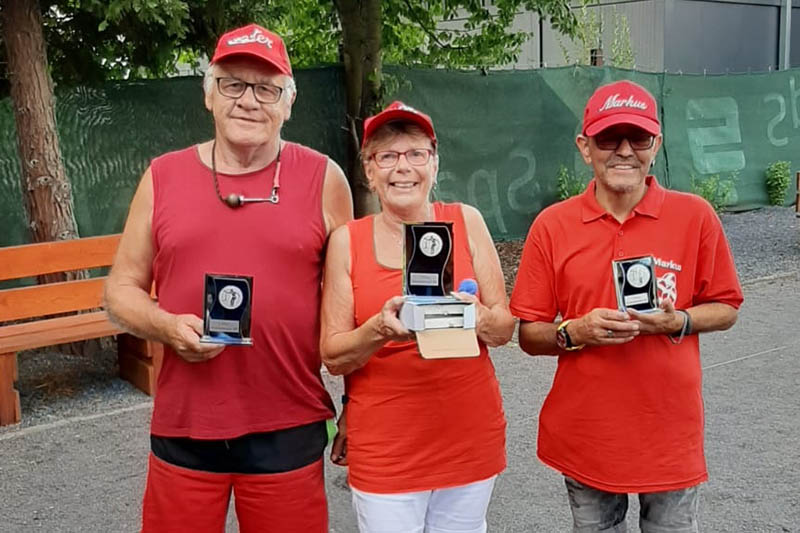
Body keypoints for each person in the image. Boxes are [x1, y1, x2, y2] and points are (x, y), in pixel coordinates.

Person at [104, 23, 353, 533]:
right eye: (232, 84)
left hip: (289, 421)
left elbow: (353, 301)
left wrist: (357, 404)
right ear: (208, 94)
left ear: (289, 102)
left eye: (266, 88)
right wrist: (167, 325)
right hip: (186, 422)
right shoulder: (163, 176)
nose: (248, 101)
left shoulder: (325, 178)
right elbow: (119, 291)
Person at [510, 80, 744, 532]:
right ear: (584, 146)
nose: (623, 151)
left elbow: (728, 306)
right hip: (587, 436)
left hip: (669, 435)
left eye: (637, 138)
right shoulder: (552, 225)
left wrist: (679, 321)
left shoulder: (694, 216)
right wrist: (575, 332)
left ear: (656, 144)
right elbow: (529, 334)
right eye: (607, 138)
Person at [320, 101, 514, 533]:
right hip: (386, 447)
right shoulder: (346, 242)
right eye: (386, 156)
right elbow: (333, 354)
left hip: (468, 437)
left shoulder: (467, 221)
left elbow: (504, 327)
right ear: (369, 170)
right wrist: (377, 330)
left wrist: (476, 315)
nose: (401, 167)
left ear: (434, 162)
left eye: (415, 154)